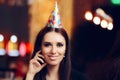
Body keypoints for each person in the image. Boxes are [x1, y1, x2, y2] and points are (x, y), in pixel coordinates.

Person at [25, 2, 88, 80]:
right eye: (47, 45)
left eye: (59, 45)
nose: (53, 51)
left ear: (66, 49)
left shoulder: (80, 78)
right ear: (40, 48)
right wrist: (31, 74)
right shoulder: (31, 76)